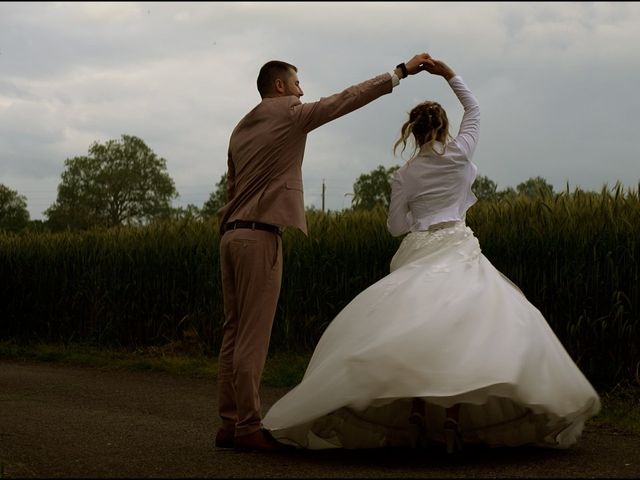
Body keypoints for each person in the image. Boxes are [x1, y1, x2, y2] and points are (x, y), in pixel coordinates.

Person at [261, 57, 601, 453]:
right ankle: (452, 424)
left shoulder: (404, 175)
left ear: (415, 132)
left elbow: (394, 227)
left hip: (420, 248)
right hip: (458, 245)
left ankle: (420, 413)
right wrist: (446, 73)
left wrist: (419, 220)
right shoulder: (460, 154)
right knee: (459, 332)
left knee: (417, 329)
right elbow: (474, 109)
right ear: (442, 128)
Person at [215, 53, 435, 452]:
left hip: (230, 235)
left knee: (232, 331)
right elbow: (347, 99)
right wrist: (399, 72)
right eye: (297, 83)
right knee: (253, 335)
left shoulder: (240, 129)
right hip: (260, 236)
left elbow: (231, 189)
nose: (302, 90)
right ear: (280, 86)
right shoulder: (291, 114)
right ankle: (248, 425)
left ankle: (228, 422)